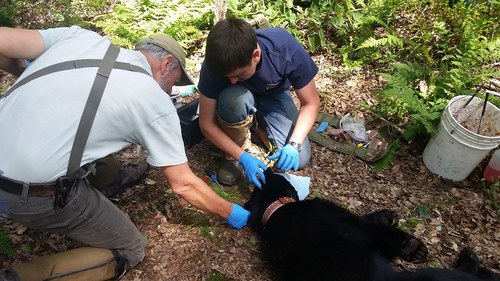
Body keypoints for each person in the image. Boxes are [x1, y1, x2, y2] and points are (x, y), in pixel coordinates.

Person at [0, 25, 249, 281]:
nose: (169, 92)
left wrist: (25, 73)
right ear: (166, 64)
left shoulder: (79, 38)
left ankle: (109, 181)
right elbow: (184, 184)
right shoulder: (152, 99)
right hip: (24, 194)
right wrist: (230, 211)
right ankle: (19, 277)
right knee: (130, 248)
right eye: (173, 84)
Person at [197, 17, 320, 188]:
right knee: (234, 98)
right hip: (236, 98)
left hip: (273, 95)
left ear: (255, 55)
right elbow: (206, 124)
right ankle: (234, 151)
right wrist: (242, 156)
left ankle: (257, 123)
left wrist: (293, 144)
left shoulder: (284, 49)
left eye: (238, 75)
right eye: (228, 77)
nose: (232, 80)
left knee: (301, 158)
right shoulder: (216, 63)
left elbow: (311, 103)